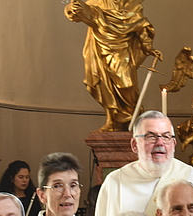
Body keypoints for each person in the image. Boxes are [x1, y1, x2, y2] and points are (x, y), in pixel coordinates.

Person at [94, 110, 193, 216]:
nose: (160, 143)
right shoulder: (116, 181)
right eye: (151, 137)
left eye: (166, 137)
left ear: (173, 144)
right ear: (134, 145)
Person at [64, 0, 162, 132]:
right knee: (104, 85)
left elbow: (141, 26)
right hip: (100, 50)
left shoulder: (132, 4)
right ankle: (112, 121)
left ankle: (134, 117)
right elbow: (80, 12)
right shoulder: (96, 2)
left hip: (121, 52)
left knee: (126, 85)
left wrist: (148, 47)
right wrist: (71, 8)